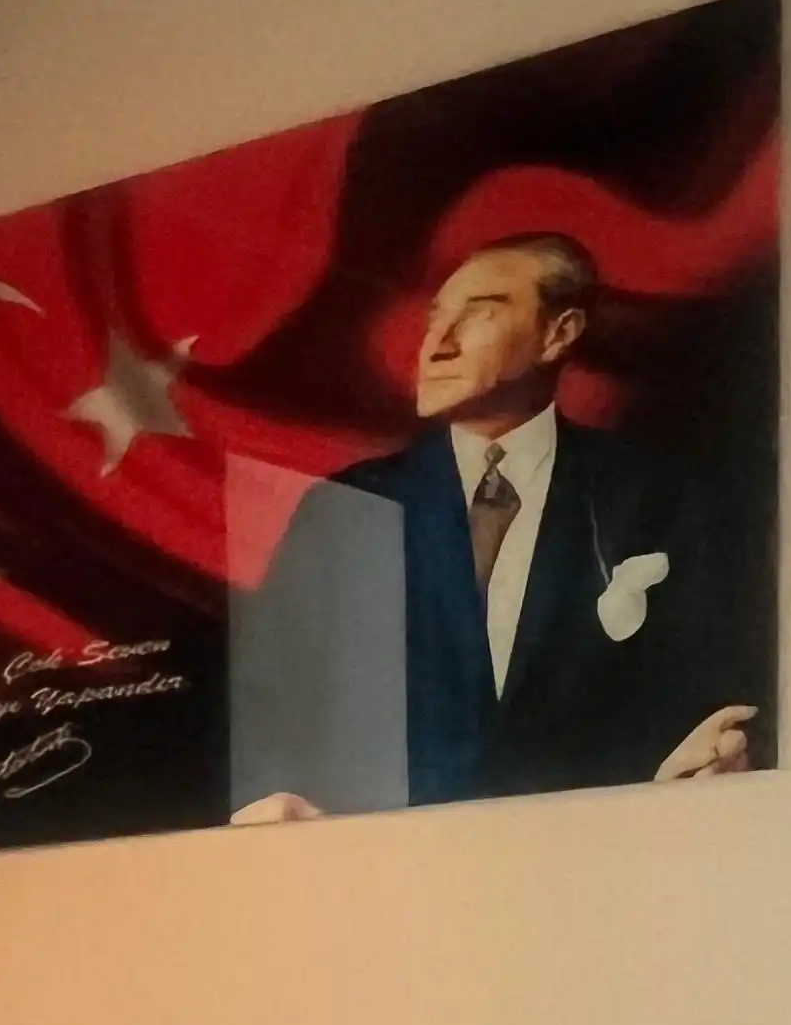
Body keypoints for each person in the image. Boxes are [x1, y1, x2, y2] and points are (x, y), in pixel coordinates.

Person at [229, 234, 758, 821]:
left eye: (479, 314)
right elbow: (268, 700)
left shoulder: (656, 495)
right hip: (388, 863)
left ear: (559, 333)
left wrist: (703, 767)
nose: (438, 345)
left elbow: (712, 690)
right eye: (435, 319)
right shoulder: (347, 506)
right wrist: (272, 805)